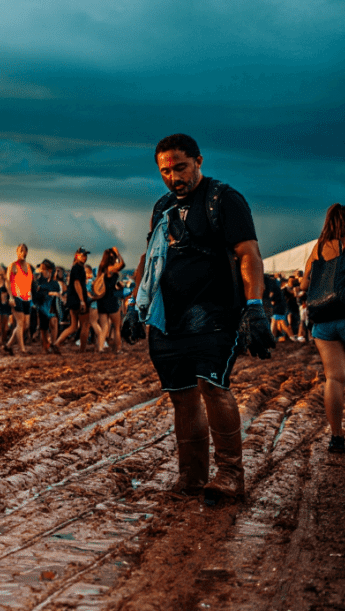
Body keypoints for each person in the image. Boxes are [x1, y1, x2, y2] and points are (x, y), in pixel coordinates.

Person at [122, 133, 274, 503]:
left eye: (180, 167)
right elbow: (149, 256)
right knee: (181, 397)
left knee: (214, 388)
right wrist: (133, 303)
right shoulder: (162, 208)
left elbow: (249, 254)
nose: (174, 177)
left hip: (216, 316)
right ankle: (191, 477)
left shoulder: (224, 199)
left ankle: (230, 475)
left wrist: (254, 307)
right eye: (165, 171)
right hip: (168, 319)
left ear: (199, 161)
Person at [300, 202, 345, 453]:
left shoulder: (320, 247)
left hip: (323, 321)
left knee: (334, 378)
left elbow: (303, 285)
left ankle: (336, 438)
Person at [55, 247, 94, 352]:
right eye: (82, 255)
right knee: (85, 325)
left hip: (72, 300)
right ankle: (82, 349)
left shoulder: (75, 267)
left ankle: (57, 342)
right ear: (77, 256)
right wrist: (82, 300)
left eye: (85, 255)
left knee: (73, 326)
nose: (85, 258)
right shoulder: (78, 268)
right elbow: (77, 284)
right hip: (78, 300)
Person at [94, 247, 126, 353]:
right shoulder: (112, 268)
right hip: (111, 300)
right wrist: (118, 253)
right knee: (117, 327)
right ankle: (118, 349)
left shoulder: (101, 268)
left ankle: (100, 347)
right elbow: (123, 264)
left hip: (101, 300)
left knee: (104, 326)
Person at [6, 244, 33, 354]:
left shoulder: (29, 266)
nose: (23, 252)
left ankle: (8, 345)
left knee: (25, 325)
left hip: (27, 297)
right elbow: (7, 282)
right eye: (21, 250)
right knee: (20, 323)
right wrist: (10, 297)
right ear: (17, 252)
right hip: (16, 297)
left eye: (25, 250)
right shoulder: (13, 265)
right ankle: (22, 349)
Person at [34, 259, 63, 354]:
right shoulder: (39, 281)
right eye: (41, 269)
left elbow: (58, 294)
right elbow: (36, 295)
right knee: (44, 328)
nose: (42, 271)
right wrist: (49, 293)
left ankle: (53, 343)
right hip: (42, 306)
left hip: (52, 307)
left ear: (49, 270)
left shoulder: (54, 283)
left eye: (43, 269)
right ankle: (45, 346)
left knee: (54, 323)